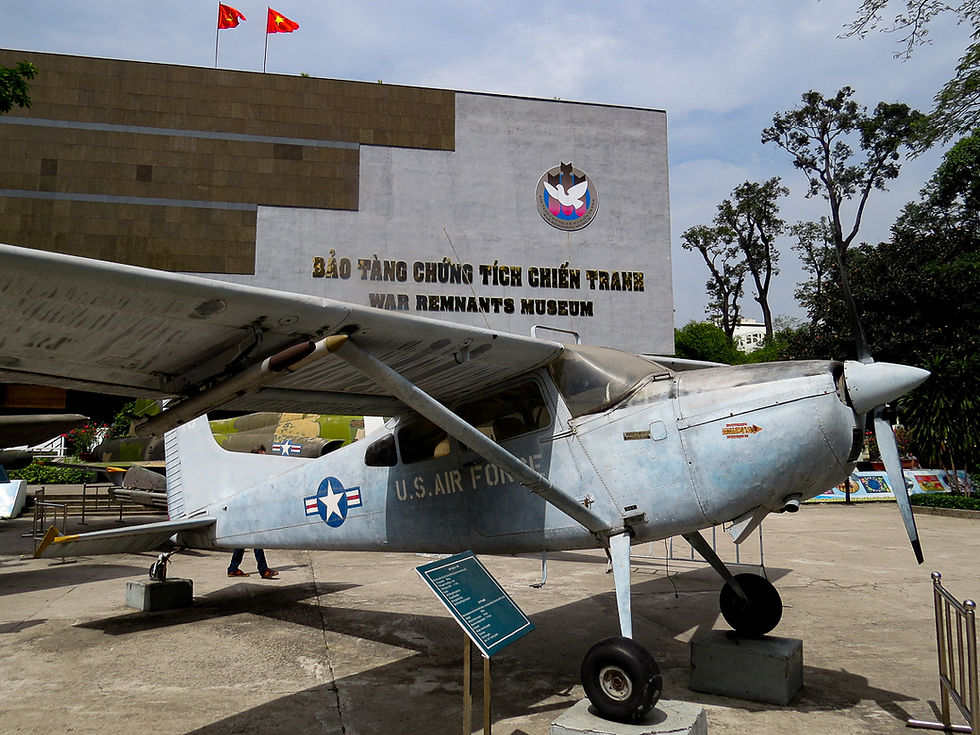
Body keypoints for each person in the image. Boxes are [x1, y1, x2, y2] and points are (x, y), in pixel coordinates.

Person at [227, 444, 278, 579]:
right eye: (262, 456)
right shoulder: (250, 472)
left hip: (247, 509)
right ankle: (263, 570)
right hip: (248, 510)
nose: (265, 459)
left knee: (243, 540)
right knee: (256, 539)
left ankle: (233, 568)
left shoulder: (252, 471)